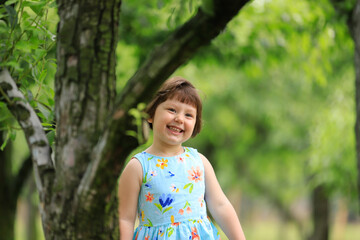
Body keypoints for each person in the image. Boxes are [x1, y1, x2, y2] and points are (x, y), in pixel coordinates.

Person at [118, 76, 246, 240]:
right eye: (172, 110)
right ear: (150, 114)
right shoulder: (138, 166)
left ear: (195, 125)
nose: (179, 119)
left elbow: (220, 205)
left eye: (188, 115)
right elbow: (125, 219)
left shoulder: (199, 162)